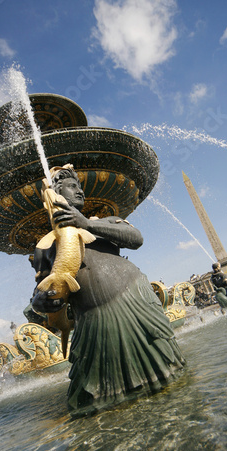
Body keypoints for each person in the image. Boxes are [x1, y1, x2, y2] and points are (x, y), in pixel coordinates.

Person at [31, 166, 185, 413]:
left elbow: (136, 238)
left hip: (134, 304)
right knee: (93, 401)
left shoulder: (103, 222)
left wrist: (85, 224)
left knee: (167, 371)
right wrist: (41, 302)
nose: (80, 191)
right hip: (93, 321)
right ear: (57, 193)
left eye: (80, 187)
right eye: (72, 187)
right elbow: (40, 290)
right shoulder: (45, 245)